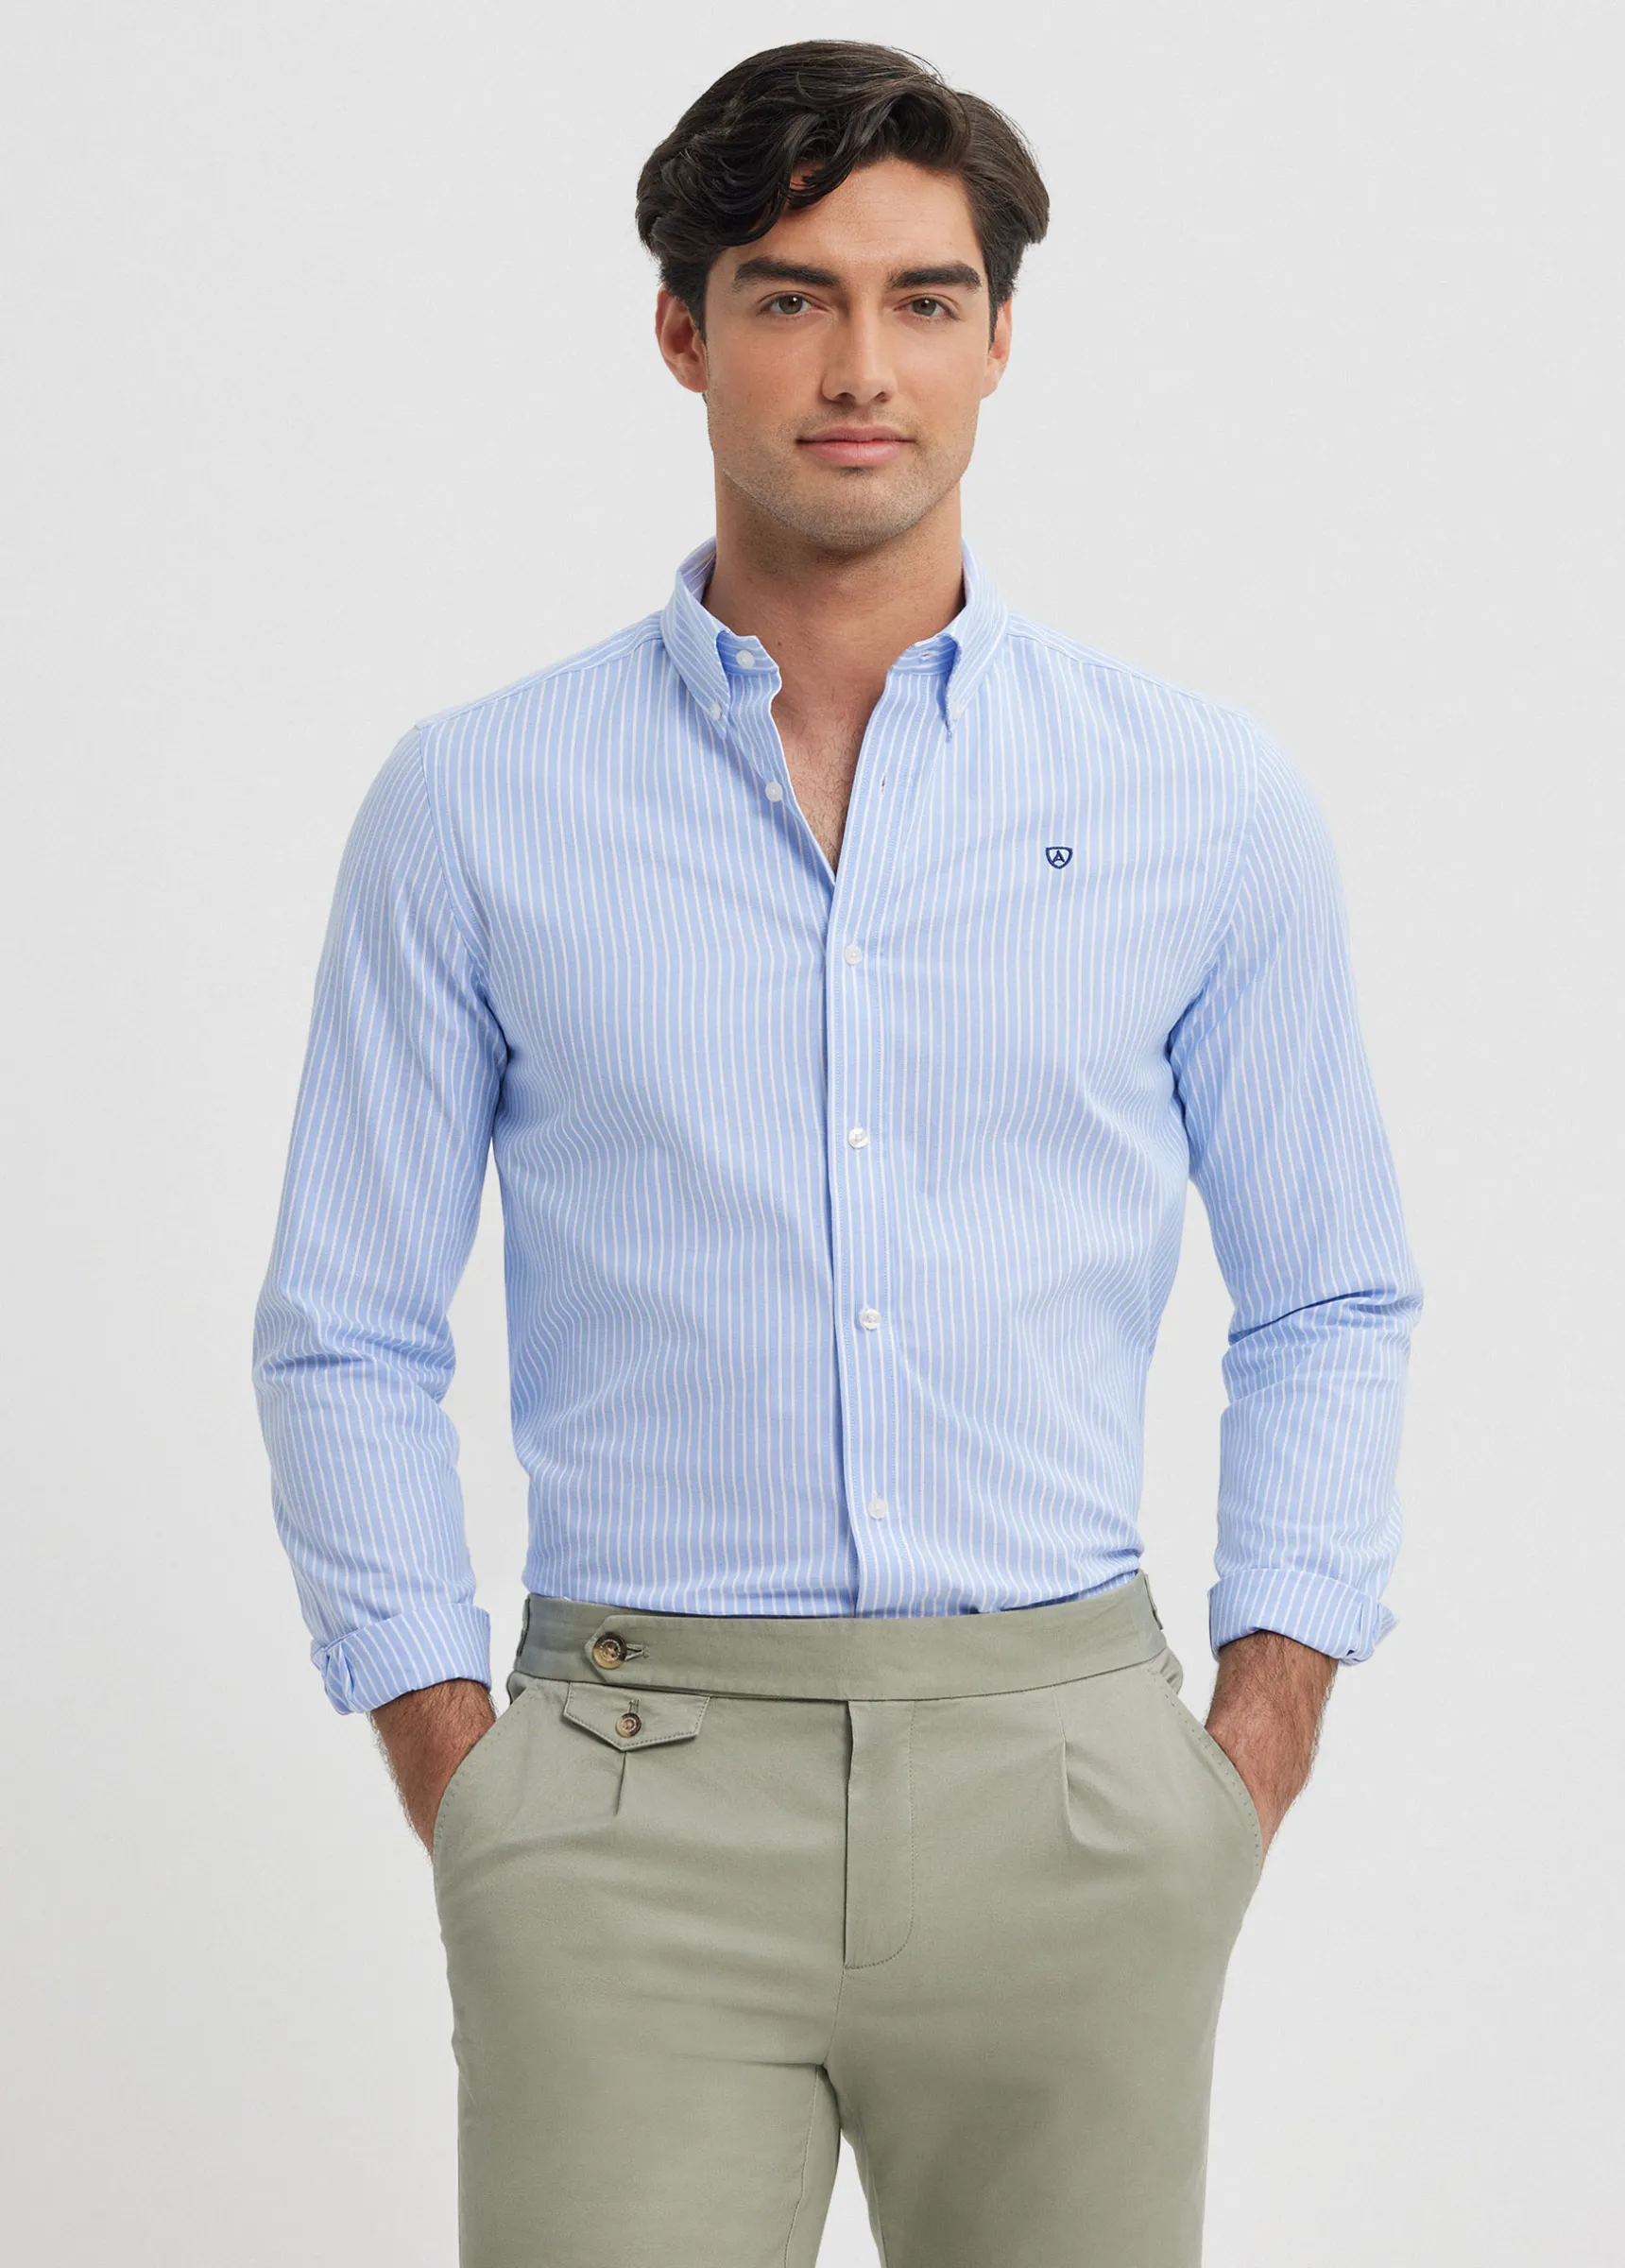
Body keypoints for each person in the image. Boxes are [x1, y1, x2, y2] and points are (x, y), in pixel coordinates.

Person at [251, 38, 1421, 2268]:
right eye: (791, 297)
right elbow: (347, 1327)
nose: (861, 365)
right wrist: (470, 1785)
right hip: (628, 1805)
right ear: (682, 332)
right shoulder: (477, 803)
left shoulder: (1203, 800)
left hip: (1072, 1794)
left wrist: (1244, 1756)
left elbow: (1332, 1290)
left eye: (922, 298)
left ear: (999, 339)